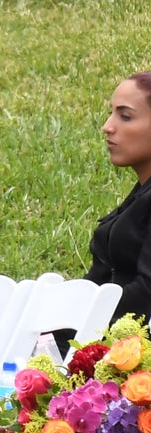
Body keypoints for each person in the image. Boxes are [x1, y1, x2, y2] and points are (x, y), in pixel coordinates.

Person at [85, 71, 151, 321]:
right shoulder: (142, 190)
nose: (107, 127)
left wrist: (78, 312)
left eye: (125, 116)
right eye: (112, 113)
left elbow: (146, 294)